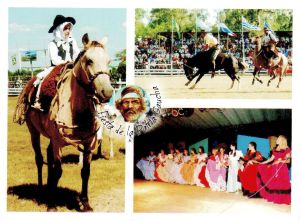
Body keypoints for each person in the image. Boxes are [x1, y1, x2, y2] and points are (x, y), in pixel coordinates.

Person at [32, 15, 80, 110]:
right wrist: (66, 62)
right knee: (43, 79)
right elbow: (55, 59)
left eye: (69, 28)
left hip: (72, 66)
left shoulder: (72, 41)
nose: (68, 31)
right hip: (57, 67)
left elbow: (77, 53)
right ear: (59, 30)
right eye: (65, 29)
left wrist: (75, 62)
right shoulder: (52, 44)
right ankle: (38, 100)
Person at [257, 135, 291, 204]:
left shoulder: (287, 149)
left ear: (282, 140)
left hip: (282, 169)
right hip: (274, 168)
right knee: (274, 184)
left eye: (278, 139)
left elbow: (288, 161)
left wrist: (280, 161)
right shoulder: (275, 148)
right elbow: (271, 159)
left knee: (281, 184)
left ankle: (281, 199)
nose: (276, 140)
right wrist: (262, 162)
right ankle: (274, 198)